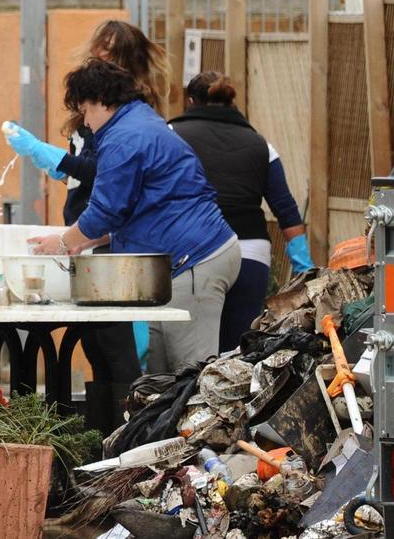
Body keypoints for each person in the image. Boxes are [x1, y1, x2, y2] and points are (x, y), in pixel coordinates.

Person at [29, 59, 240, 373]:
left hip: (193, 259)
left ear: (103, 101)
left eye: (85, 110)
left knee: (189, 378)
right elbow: (135, 209)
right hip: (179, 262)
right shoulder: (137, 121)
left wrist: (62, 241)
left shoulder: (124, 138)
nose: (85, 122)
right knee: (160, 377)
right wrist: (83, 240)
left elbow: (104, 211)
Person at [5, 21, 166, 413]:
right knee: (95, 342)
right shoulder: (93, 112)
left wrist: (48, 155)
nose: (99, 55)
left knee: (114, 343)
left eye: (109, 52)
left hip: (105, 239)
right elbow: (81, 168)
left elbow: (99, 172)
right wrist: (59, 163)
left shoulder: (124, 115)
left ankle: (125, 430)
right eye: (98, 47)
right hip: (86, 234)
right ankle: (101, 433)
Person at [169, 71, 314, 351]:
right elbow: (286, 209)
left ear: (189, 101)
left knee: (192, 356)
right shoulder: (261, 145)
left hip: (196, 253)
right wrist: (303, 265)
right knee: (238, 351)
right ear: (231, 102)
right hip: (251, 255)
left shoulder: (172, 136)